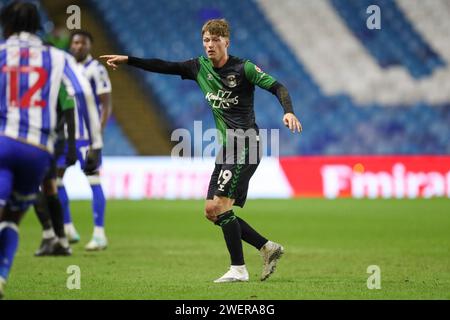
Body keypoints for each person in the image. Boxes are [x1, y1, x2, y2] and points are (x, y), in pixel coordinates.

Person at [100, 19, 302, 282]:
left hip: (246, 145)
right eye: (206, 40)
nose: (209, 45)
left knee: (221, 206)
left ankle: (238, 269)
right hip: (227, 148)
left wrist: (288, 112)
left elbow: (278, 87)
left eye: (215, 40)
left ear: (226, 42)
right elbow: (164, 66)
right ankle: (266, 247)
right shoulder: (199, 67)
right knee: (211, 210)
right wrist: (128, 60)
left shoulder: (244, 68)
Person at [0, 1, 102, 298]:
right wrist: (94, 143)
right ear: (37, 27)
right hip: (37, 149)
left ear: (6, 26)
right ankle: (2, 275)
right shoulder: (56, 56)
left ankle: (53, 239)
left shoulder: (2, 52)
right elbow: (82, 94)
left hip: (4, 142)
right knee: (12, 217)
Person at [57, 30, 112, 251]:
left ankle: (99, 234)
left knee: (93, 180)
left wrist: (97, 133)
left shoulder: (96, 70)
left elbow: (106, 103)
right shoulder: (65, 69)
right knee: (54, 180)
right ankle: (68, 228)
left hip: (87, 138)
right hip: (65, 136)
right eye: (75, 42)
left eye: (83, 43)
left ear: (89, 46)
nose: (78, 46)